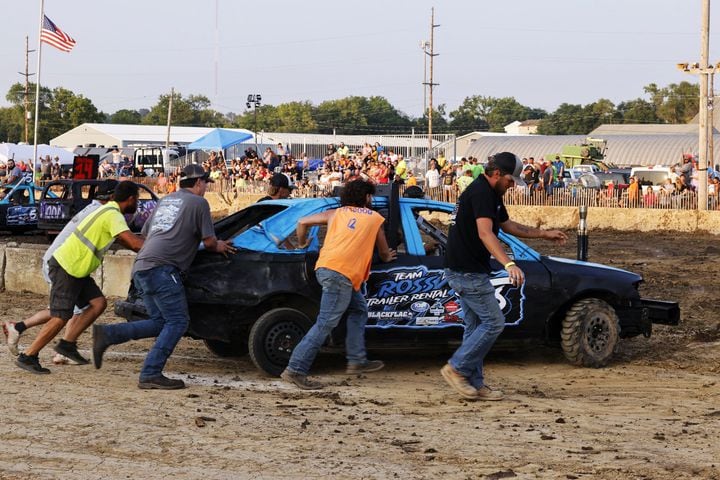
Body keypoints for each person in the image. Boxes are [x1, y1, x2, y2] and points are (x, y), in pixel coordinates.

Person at [92, 164, 236, 390]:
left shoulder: (165, 201)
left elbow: (147, 233)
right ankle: (150, 372)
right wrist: (220, 245)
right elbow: (209, 242)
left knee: (160, 322)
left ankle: (109, 333)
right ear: (198, 182)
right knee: (178, 322)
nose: (206, 187)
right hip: (163, 270)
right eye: (206, 183)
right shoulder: (199, 203)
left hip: (141, 267)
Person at [441, 152, 567, 401]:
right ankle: (457, 368)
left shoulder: (490, 194)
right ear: (497, 174)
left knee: (476, 327)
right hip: (467, 271)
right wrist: (509, 263)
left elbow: (506, 226)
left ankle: (474, 384)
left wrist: (544, 234)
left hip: (466, 269)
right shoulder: (481, 194)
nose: (512, 186)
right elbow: (486, 234)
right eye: (511, 181)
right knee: (494, 323)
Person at [14, 181, 145, 374]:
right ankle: (29, 355)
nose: (138, 204)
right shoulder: (113, 214)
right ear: (131, 198)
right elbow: (134, 244)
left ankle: (67, 345)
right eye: (138, 199)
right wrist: (161, 249)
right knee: (60, 316)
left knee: (98, 303)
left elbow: (125, 240)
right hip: (68, 267)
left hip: (76, 268)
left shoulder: (107, 210)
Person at [281, 179, 397, 390]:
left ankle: (356, 359)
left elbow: (301, 223)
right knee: (325, 323)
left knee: (359, 310)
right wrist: (388, 256)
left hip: (326, 268)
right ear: (367, 198)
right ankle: (295, 369)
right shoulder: (376, 218)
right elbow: (383, 251)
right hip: (342, 274)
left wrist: (302, 243)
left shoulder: (336, 213)